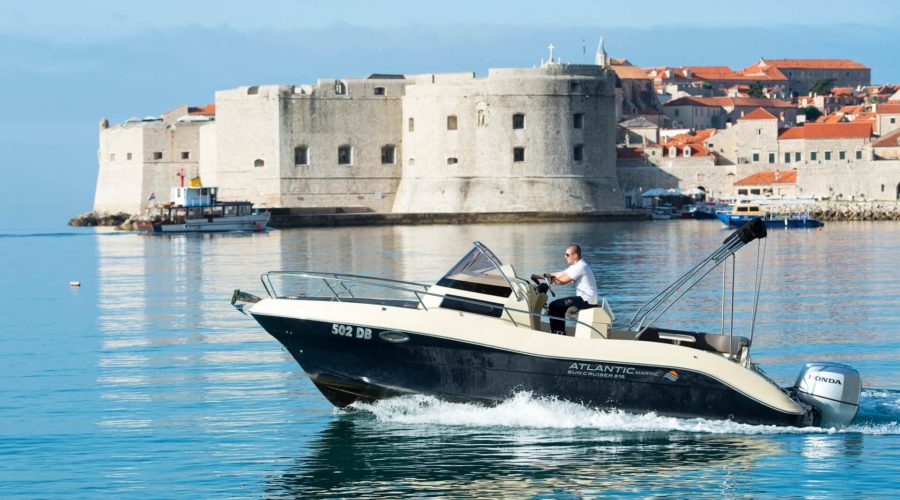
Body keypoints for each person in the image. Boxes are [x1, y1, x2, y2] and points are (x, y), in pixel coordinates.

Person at [546, 244, 598, 334]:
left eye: (567, 255)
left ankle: (558, 333)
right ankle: (559, 331)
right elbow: (559, 274)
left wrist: (552, 279)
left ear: (575, 255)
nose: (565, 256)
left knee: (554, 306)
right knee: (557, 306)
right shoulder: (577, 266)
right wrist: (541, 276)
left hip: (586, 300)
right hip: (586, 299)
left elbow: (561, 281)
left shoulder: (580, 267)